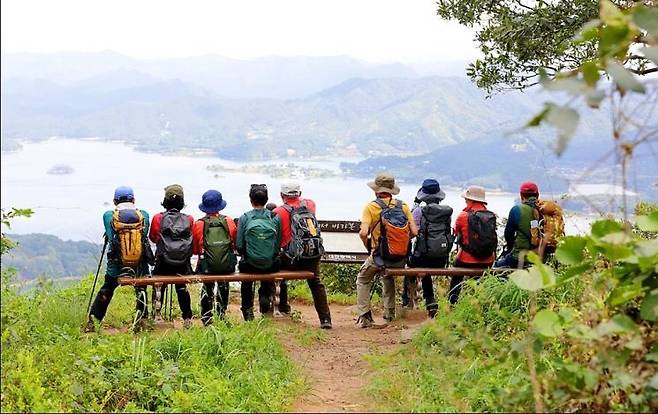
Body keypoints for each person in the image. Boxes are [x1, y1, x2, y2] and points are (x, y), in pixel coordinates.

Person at [84, 186, 153, 333]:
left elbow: (110, 237)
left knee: (107, 288)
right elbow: (144, 236)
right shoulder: (144, 215)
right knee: (141, 289)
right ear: (133, 200)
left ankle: (93, 322)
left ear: (115, 201)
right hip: (139, 266)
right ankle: (141, 321)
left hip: (116, 266)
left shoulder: (109, 215)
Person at [356, 174, 418, 328]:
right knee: (387, 276)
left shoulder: (371, 207)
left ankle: (365, 316)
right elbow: (414, 232)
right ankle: (389, 315)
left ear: (376, 190)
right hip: (399, 259)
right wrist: (398, 244)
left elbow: (363, 233)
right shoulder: (403, 206)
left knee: (363, 279)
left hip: (378, 257)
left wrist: (369, 246)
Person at [272, 182, 332, 329]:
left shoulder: (278, 212)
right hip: (311, 256)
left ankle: (283, 308)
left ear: (282, 195)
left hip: (291, 260)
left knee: (275, 271)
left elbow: (278, 240)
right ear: (299, 193)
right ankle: (325, 319)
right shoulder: (310, 205)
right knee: (316, 282)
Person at [402, 179, 453, 318]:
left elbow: (412, 231)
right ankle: (430, 303)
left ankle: (407, 302)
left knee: (411, 266)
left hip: (422, 258)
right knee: (426, 269)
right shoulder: (446, 212)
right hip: (441, 259)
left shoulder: (419, 211)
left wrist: (415, 206)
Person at [149, 184, 194, 328]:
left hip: (163, 263)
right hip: (182, 264)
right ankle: (187, 318)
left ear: (165, 200)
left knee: (158, 285)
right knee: (181, 288)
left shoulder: (158, 218)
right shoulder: (189, 219)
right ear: (182, 201)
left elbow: (153, 237)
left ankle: (156, 315)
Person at [236, 184, 282, 320]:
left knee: (246, 279)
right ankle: (264, 298)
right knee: (269, 264)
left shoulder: (245, 218)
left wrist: (248, 254)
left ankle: (247, 309)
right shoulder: (274, 217)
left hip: (249, 264)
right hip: (269, 265)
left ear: (251, 199)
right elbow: (277, 245)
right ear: (266, 200)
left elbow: (239, 245)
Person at [192, 190, 237, 325]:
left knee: (207, 285)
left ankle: (206, 316)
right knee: (224, 285)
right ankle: (221, 314)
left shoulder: (198, 224)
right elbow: (233, 244)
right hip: (226, 267)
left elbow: (195, 250)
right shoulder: (229, 221)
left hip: (207, 267)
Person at [452, 185, 497, 304]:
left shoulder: (463, 216)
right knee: (479, 281)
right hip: (488, 260)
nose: (465, 201)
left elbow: (455, 232)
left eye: (466, 199)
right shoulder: (491, 216)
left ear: (471, 200)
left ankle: (452, 303)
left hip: (466, 260)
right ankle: (479, 303)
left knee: (456, 276)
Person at [495, 182, 540, 269]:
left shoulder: (517, 210)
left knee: (495, 268)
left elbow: (508, 234)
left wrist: (510, 249)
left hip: (520, 257)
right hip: (541, 258)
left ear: (521, 195)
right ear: (537, 195)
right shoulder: (546, 209)